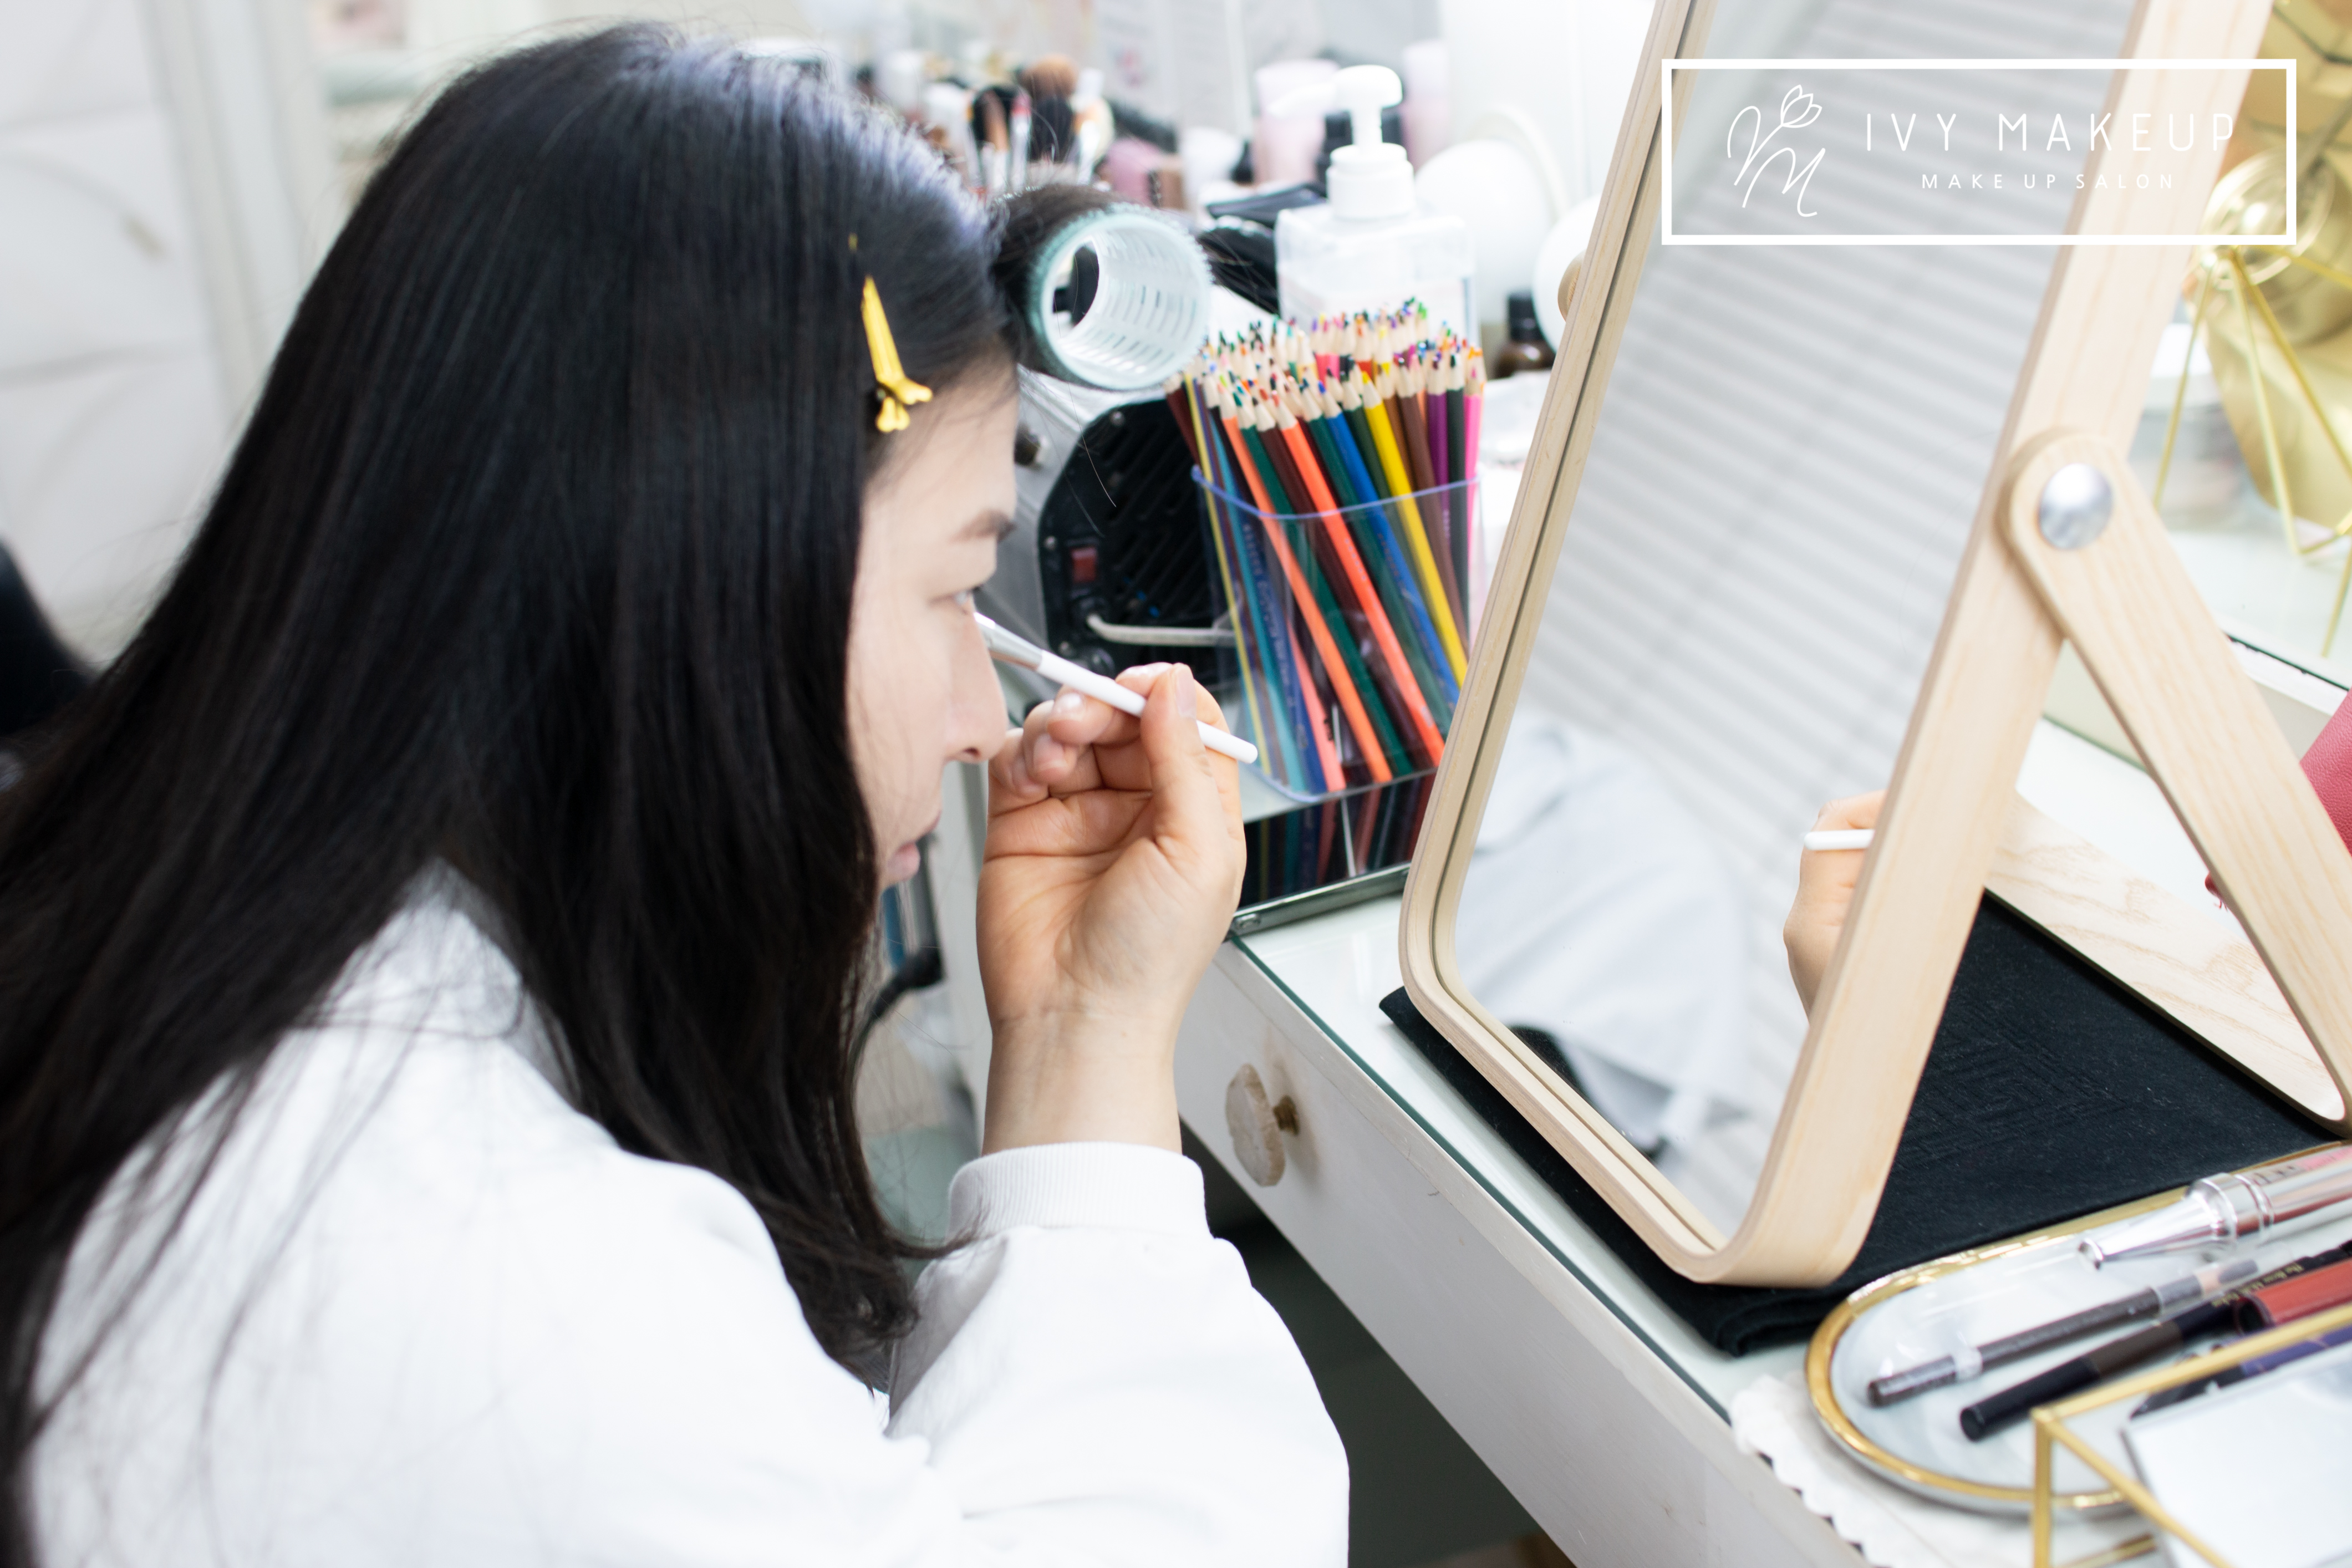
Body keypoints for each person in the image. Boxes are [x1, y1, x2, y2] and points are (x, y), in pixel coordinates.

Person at [0, 29, 1345, 1567]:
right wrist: (1099, 1051)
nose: (987, 724)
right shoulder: (512, 1286)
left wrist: (1071, 1029)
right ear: (708, 584)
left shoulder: (218, 951)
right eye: (952, 592)